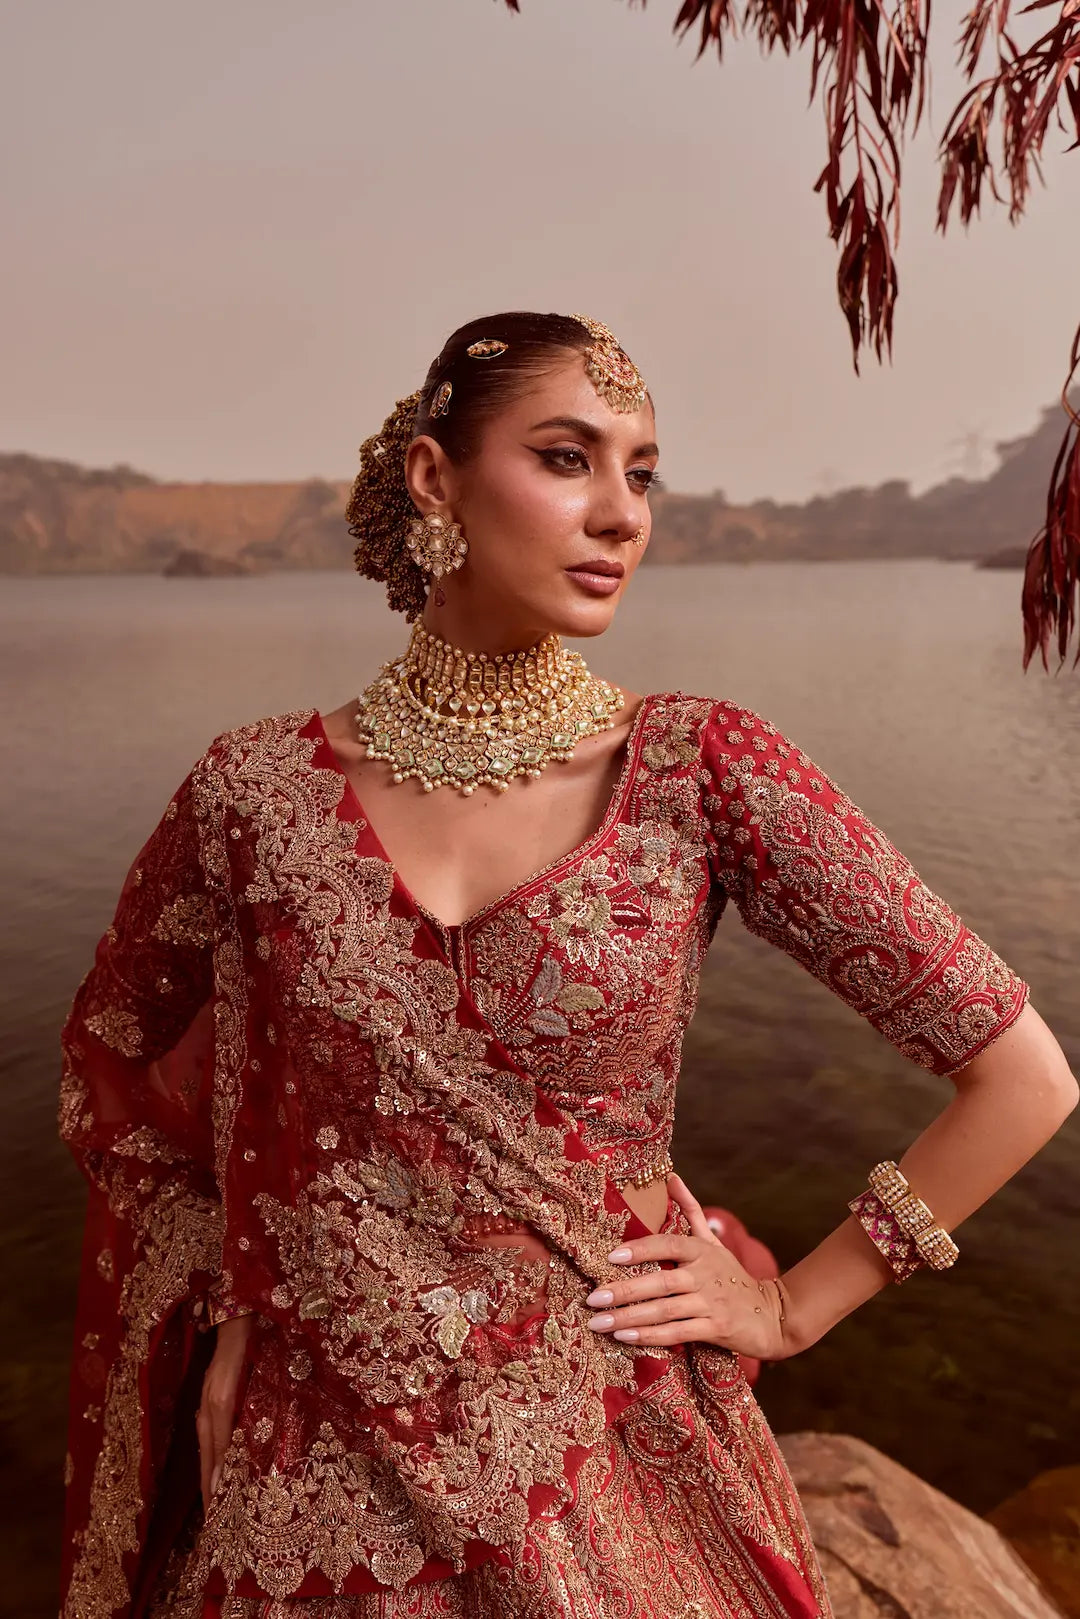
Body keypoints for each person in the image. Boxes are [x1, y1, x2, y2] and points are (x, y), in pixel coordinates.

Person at [57, 311, 1078, 1619]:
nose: (621, 514)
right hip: (311, 1484)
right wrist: (243, 1291)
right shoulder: (250, 795)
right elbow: (117, 1072)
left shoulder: (698, 772)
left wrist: (792, 1309)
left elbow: (1023, 1080)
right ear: (435, 478)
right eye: (566, 458)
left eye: (641, 473)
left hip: (610, 1468)